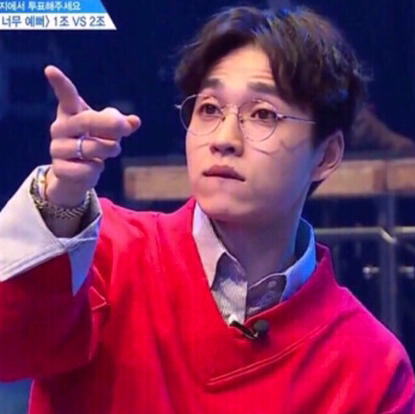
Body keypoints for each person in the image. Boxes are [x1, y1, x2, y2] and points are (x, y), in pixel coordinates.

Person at [0, 5, 414, 414]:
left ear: (327, 155)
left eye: (262, 114)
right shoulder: (103, 254)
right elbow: (10, 347)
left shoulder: (372, 367)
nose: (224, 139)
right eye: (210, 109)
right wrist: (61, 197)